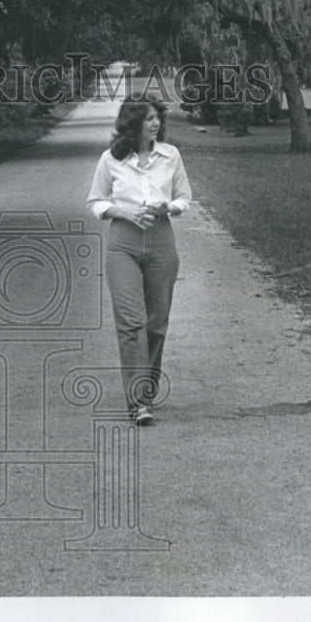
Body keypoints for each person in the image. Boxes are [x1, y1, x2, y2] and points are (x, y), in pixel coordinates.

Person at [86, 96, 192, 425]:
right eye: (148, 119)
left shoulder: (171, 155)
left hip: (162, 241)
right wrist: (123, 211)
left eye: (157, 117)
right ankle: (138, 403)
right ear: (133, 123)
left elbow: (184, 197)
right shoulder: (111, 159)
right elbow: (96, 201)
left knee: (156, 324)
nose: (155, 123)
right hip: (123, 244)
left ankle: (147, 388)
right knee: (132, 323)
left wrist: (169, 208)